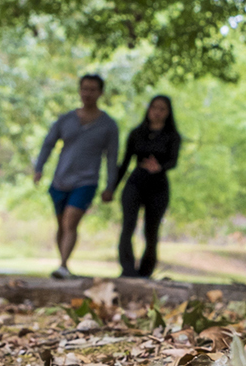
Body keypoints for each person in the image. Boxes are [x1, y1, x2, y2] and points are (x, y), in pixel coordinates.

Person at [33, 74, 121, 279]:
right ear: (79, 91)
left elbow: (112, 157)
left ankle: (63, 265)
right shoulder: (66, 119)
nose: (88, 93)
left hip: (86, 181)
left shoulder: (108, 125)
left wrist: (110, 186)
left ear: (100, 93)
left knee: (70, 223)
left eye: (92, 89)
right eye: (84, 88)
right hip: (60, 179)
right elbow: (48, 143)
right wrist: (39, 168)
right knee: (61, 224)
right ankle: (62, 262)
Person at [118, 95, 181, 278]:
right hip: (136, 183)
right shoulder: (136, 133)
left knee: (151, 230)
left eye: (162, 109)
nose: (157, 112)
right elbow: (125, 163)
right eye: (154, 107)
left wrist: (159, 167)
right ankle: (127, 269)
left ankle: (146, 271)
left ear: (168, 113)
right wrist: (111, 188)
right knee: (128, 225)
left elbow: (173, 161)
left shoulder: (172, 136)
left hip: (158, 186)